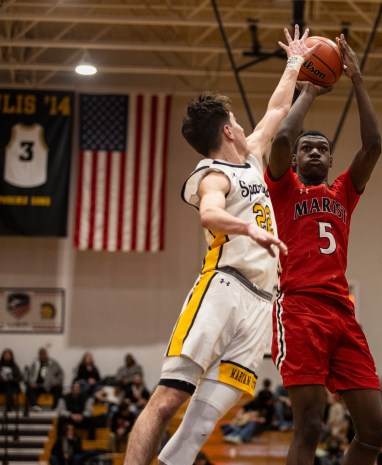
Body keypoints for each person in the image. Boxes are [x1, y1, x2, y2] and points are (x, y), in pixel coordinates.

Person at [122, 25, 317, 465]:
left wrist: (294, 62)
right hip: (223, 287)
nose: (245, 125)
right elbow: (210, 213)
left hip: (261, 303)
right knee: (169, 399)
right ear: (228, 130)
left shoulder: (250, 156)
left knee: (203, 419)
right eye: (236, 121)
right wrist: (250, 230)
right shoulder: (212, 174)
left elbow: (275, 110)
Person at [265, 34, 382, 465]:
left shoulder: (343, 194)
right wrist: (309, 91)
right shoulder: (282, 189)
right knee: (310, 426)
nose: (314, 151)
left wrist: (356, 79)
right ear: (296, 161)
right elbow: (280, 138)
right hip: (299, 308)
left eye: (323, 149)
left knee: (375, 430)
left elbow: (373, 147)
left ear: (331, 161)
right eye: (307, 148)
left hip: (342, 312)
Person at [0, 348, 23, 412]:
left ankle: (9, 407)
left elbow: (20, 377)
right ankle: (12, 406)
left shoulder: (14, 366)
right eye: (5, 355)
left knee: (9, 386)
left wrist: (12, 379)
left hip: (12, 385)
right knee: (7, 385)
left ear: (11, 356)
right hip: (1, 385)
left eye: (8, 355)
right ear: (3, 356)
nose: (7, 356)